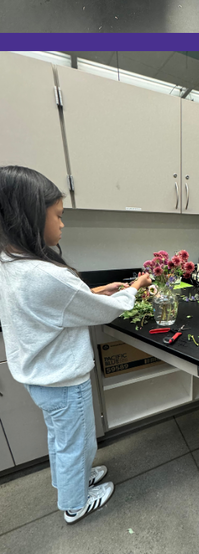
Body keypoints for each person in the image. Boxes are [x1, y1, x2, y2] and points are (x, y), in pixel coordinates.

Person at [0, 166, 151, 523]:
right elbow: (104, 312)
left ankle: (72, 481)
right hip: (64, 382)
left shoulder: (11, 261)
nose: (62, 224)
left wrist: (92, 291)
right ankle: (75, 503)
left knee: (62, 440)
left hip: (41, 379)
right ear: (31, 217)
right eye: (58, 216)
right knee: (76, 443)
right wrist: (135, 287)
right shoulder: (45, 275)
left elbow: (53, 305)